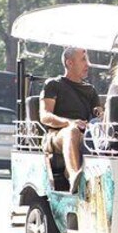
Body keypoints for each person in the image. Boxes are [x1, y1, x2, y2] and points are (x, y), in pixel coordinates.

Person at [40, 47, 102, 194]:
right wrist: (69, 123)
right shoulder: (54, 85)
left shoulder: (91, 90)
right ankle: (74, 175)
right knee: (72, 131)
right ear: (69, 63)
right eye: (83, 60)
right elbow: (45, 116)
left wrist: (101, 114)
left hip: (85, 132)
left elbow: (97, 113)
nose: (88, 64)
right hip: (57, 135)